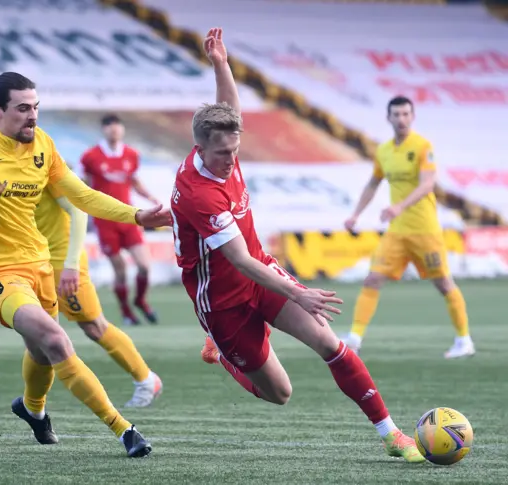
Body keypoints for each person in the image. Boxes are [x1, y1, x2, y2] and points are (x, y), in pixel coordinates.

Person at [171, 28, 424, 463]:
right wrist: (299, 291)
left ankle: (392, 433)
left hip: (261, 274)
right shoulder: (199, 193)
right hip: (222, 300)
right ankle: (221, 350)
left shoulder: (220, 143)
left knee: (331, 344)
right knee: (280, 393)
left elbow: (228, 111)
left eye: (235, 150)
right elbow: (239, 259)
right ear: (199, 148)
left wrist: (220, 64)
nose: (231, 160)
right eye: (222, 155)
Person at [0, 72, 170, 458]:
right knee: (55, 340)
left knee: (40, 351)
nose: (32, 116)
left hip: (39, 265)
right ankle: (124, 430)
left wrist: (136, 216)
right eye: (23, 108)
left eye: (35, 107)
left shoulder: (43, 146)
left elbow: (81, 197)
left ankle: (34, 409)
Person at [0, 184, 163, 411]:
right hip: (26, 262)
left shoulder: (44, 165)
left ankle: (146, 379)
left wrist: (71, 265)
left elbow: (79, 209)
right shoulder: (3, 168)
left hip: (60, 263)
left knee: (93, 326)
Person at [342, 96, 474, 359]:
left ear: (412, 117)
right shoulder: (384, 151)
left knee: (444, 284)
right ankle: (355, 338)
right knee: (373, 278)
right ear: (388, 118)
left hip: (424, 230)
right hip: (397, 232)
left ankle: (464, 340)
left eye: (405, 114)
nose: (401, 119)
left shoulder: (423, 146)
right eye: (396, 114)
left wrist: (399, 206)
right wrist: (355, 214)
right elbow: (373, 183)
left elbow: (428, 184)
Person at [81, 115, 159, 326]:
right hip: (105, 220)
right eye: (109, 126)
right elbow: (84, 187)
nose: (113, 130)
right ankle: (126, 312)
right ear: (103, 130)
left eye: (117, 126)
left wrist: (151, 198)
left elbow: (133, 181)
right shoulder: (91, 157)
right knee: (120, 269)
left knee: (144, 265)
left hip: (129, 217)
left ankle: (140, 300)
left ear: (122, 129)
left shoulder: (131, 155)